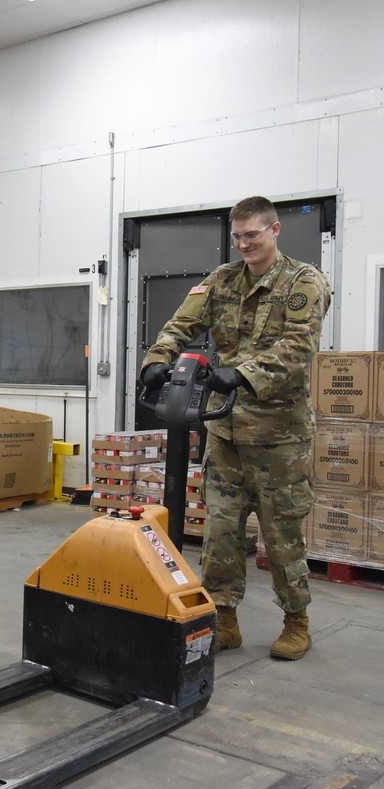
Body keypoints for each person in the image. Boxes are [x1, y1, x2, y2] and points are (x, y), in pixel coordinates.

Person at [140, 196, 331, 660]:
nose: (245, 244)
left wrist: (244, 374)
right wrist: (157, 359)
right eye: (238, 236)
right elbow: (181, 323)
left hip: (279, 438)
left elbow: (298, 345)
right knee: (220, 532)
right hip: (225, 434)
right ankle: (224, 621)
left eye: (253, 235)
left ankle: (296, 622)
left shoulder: (304, 281)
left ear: (275, 230)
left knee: (282, 535)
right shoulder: (221, 281)